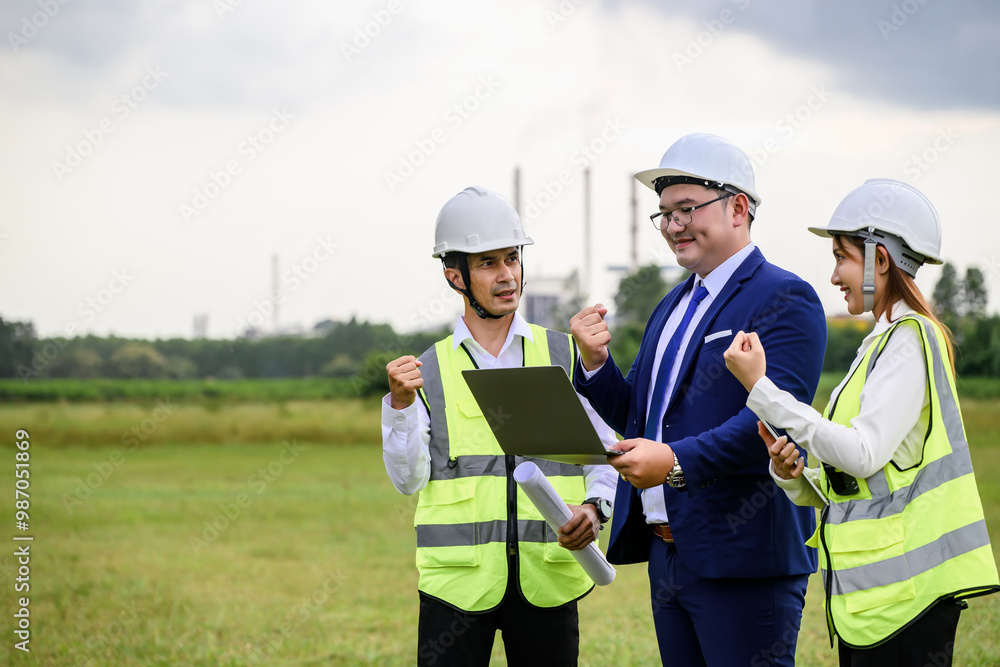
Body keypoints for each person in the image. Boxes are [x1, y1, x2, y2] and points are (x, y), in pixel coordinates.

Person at [570, 132, 828, 665]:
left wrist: (675, 462)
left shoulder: (785, 296)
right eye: (663, 214)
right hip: (670, 552)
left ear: (738, 208)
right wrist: (596, 365)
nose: (672, 225)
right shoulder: (671, 305)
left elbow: (774, 422)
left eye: (686, 209)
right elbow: (642, 415)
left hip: (745, 555)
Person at [724, 178, 1000, 666]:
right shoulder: (880, 341)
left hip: (908, 600)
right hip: (875, 601)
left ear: (880, 259)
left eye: (841, 257)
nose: (833, 276)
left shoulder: (910, 339)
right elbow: (863, 481)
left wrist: (762, 390)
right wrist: (795, 478)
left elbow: (861, 453)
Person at [382, 185, 618, 667]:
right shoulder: (427, 372)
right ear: (455, 276)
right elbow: (407, 480)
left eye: (512, 258)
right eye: (488, 263)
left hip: (547, 580)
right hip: (457, 587)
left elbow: (608, 453)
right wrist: (401, 405)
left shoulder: (564, 355)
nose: (508, 274)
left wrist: (595, 510)